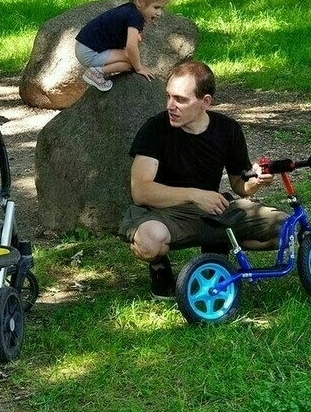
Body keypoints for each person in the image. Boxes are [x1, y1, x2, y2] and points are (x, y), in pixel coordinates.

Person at [118, 60, 287, 299]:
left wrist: (256, 181)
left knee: (285, 229)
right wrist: (194, 194)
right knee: (148, 241)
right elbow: (141, 192)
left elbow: (240, 185)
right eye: (168, 96)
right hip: (163, 213)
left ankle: (217, 250)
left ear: (205, 102)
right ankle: (159, 267)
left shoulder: (228, 129)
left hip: (212, 211)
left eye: (180, 99)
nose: (170, 105)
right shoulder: (154, 129)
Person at [75, 0, 170, 92]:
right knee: (131, 62)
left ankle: (101, 71)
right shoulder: (135, 17)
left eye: (161, 8)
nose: (159, 13)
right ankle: (96, 73)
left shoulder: (129, 10)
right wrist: (139, 68)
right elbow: (131, 47)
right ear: (140, 2)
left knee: (131, 59)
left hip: (84, 47)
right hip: (89, 52)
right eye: (156, 7)